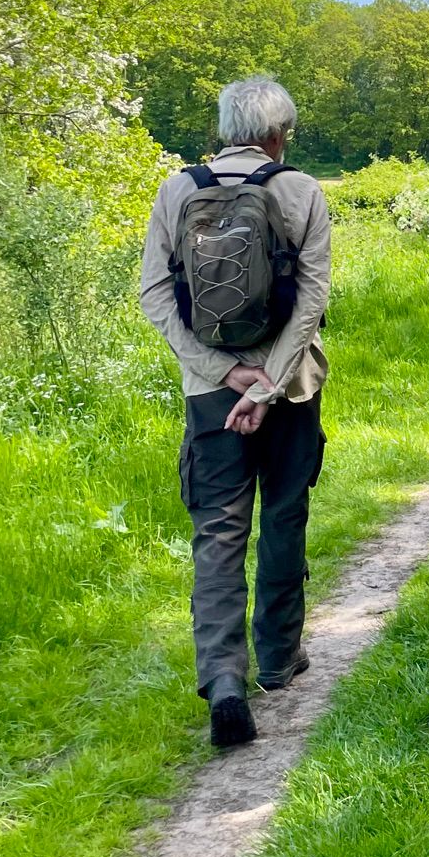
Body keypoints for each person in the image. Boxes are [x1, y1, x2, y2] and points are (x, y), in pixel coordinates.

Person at [139, 77, 332, 750]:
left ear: (226, 129)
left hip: (208, 395)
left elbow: (154, 296)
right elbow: (311, 301)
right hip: (291, 388)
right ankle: (277, 658)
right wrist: (267, 383)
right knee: (283, 514)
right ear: (279, 135)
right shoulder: (301, 191)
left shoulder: (177, 191)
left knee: (218, 532)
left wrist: (224, 374)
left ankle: (224, 679)